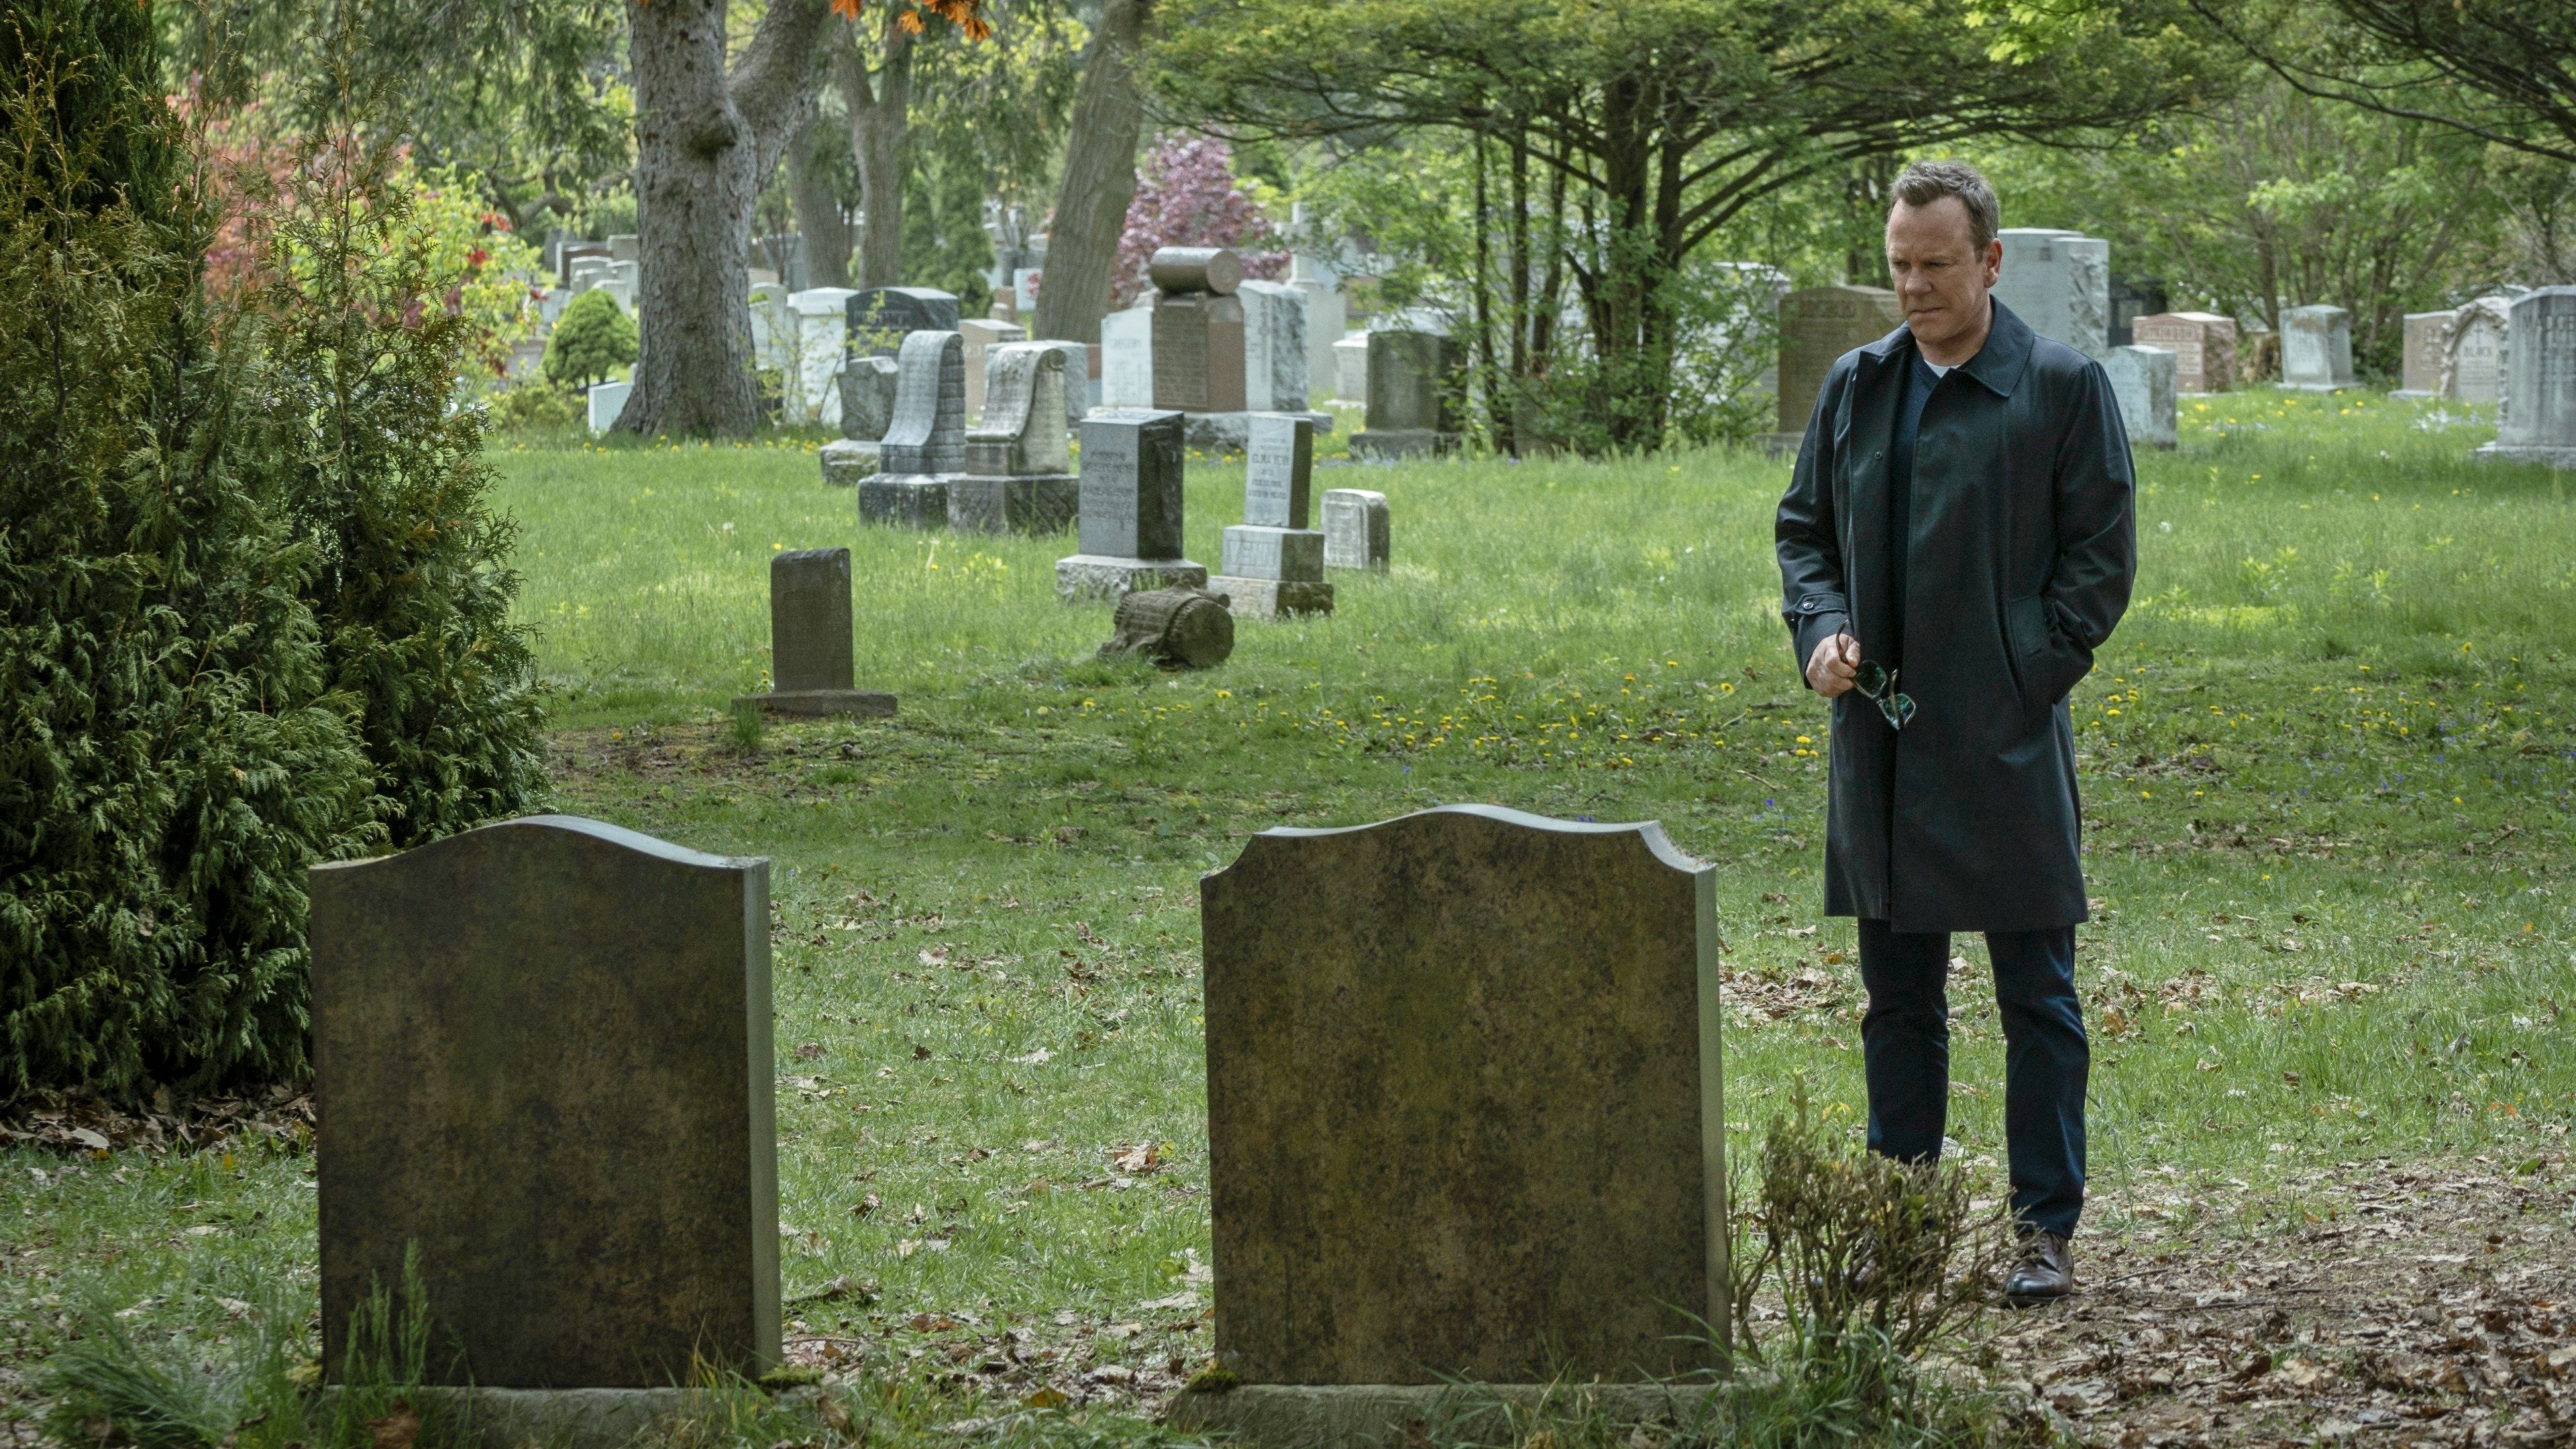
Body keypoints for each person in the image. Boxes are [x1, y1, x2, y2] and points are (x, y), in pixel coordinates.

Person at [1772, 160, 2137, 1303]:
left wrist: (2027, 671)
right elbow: (1804, 532)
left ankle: (2043, 1231)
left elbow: (2100, 560)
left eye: (1936, 264)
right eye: (1899, 266)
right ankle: (1901, 1220)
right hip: (1880, 744)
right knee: (1898, 1002)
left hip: (2007, 740)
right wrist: (1821, 632)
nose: (1915, 287)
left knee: (2038, 999)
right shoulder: (1858, 384)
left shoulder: (2061, 387)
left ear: (1990, 261)